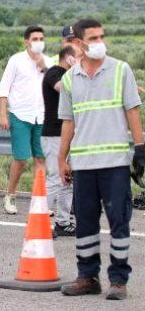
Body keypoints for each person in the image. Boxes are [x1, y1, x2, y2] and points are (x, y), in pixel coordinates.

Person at [58, 19, 145, 300]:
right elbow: (68, 122)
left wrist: (141, 146)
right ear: (79, 44)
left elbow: (132, 111)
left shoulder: (121, 70)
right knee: (85, 223)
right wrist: (62, 158)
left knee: (118, 221)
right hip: (84, 165)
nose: (99, 42)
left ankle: (118, 280)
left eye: (101, 36)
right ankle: (87, 277)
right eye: (93, 38)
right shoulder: (71, 78)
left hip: (115, 163)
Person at [0, 26, 53, 214]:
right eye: (35, 38)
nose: (38, 41)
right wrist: (3, 114)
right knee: (21, 159)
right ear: (26, 41)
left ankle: (39, 201)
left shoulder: (49, 62)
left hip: (42, 116)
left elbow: (54, 85)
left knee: (40, 159)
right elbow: (3, 88)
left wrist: (43, 65)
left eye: (41, 38)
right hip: (20, 115)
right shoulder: (16, 60)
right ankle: (10, 196)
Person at [41, 45, 81, 237]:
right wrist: (76, 69)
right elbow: (62, 88)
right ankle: (39, 223)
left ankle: (63, 223)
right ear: (69, 58)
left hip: (68, 135)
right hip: (53, 134)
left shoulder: (71, 75)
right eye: (79, 57)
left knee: (67, 180)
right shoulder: (54, 73)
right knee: (56, 178)